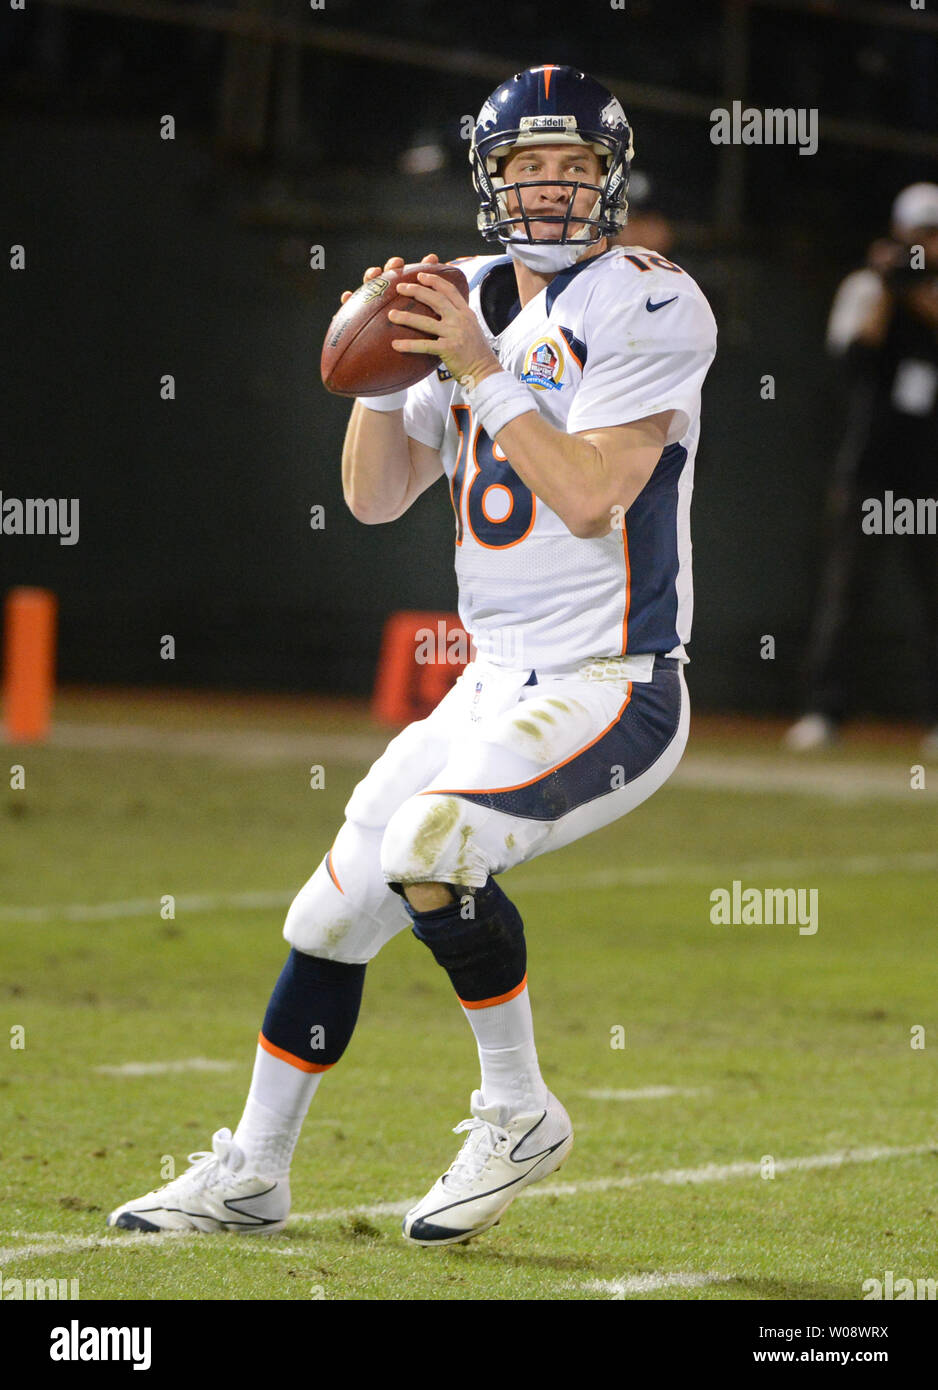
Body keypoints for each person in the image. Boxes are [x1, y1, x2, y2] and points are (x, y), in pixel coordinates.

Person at [107, 64, 717, 1246]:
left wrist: (481, 368)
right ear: (490, 183)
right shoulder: (466, 295)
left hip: (613, 681)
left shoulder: (645, 298)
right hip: (490, 681)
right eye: (528, 168)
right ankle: (252, 1172)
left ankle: (516, 1110)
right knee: (326, 916)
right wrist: (384, 375)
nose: (551, 190)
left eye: (573, 167)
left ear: (609, 180)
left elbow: (591, 498)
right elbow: (375, 498)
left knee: (438, 840)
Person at [785, 183, 938, 756]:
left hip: (929, 474)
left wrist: (911, 285)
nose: (927, 244)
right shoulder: (867, 286)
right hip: (871, 468)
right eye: (918, 234)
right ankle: (824, 712)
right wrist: (887, 284)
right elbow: (852, 355)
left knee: (933, 600)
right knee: (845, 595)